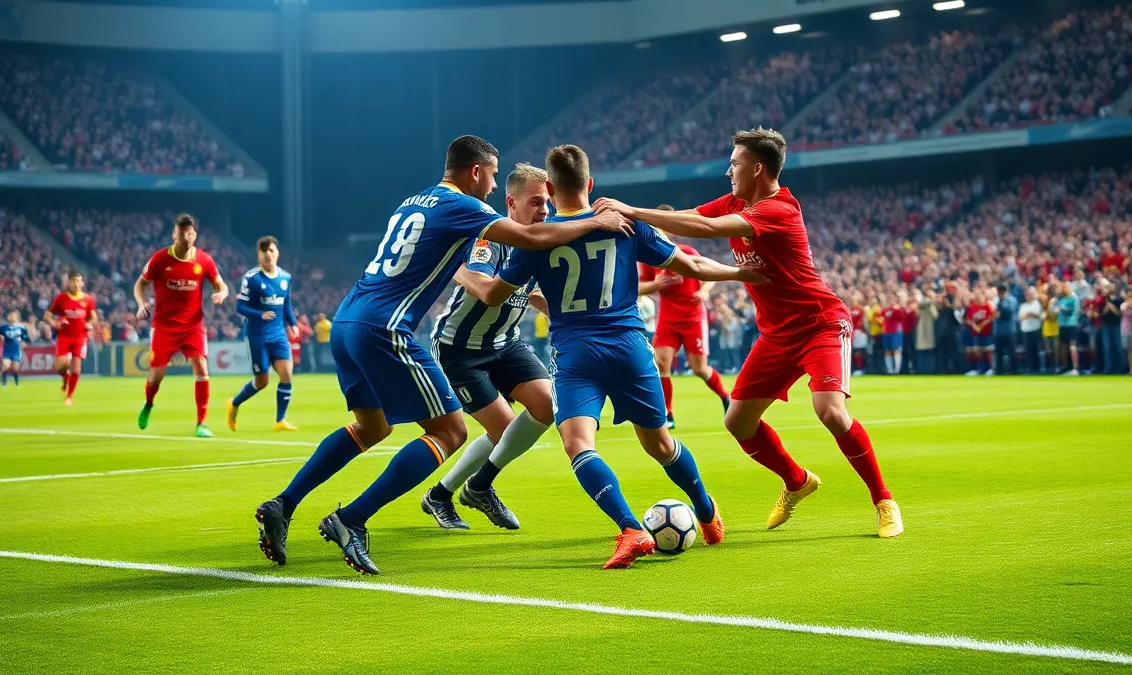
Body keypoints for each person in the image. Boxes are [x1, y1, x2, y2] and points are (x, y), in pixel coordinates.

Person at [252, 135, 633, 575]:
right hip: (387, 328)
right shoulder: (465, 207)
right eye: (491, 176)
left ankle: (284, 503)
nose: (491, 187)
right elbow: (531, 238)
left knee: (370, 427)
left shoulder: (413, 202)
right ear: (475, 171)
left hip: (348, 320)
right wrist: (594, 223)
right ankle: (352, 519)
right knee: (450, 431)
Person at [594, 127, 902, 539]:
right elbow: (692, 219)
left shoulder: (780, 210)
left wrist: (631, 210)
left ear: (757, 167)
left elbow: (706, 231)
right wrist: (639, 216)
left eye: (735, 162)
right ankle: (796, 481)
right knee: (738, 422)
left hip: (820, 323)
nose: (728, 171)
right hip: (776, 334)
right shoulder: (738, 200)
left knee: (829, 410)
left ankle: (883, 500)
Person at [465, 144, 756, 568]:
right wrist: (743, 273)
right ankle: (707, 512)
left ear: (548, 187)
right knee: (659, 443)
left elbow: (492, 295)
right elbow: (690, 267)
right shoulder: (625, 225)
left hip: (576, 354)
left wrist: (457, 267)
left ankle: (631, 529)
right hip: (629, 347)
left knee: (578, 444)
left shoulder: (535, 240)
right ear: (591, 183)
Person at [420, 163, 558, 531]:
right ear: (511, 202)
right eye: (536, 202)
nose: (544, 210)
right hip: (460, 348)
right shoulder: (489, 239)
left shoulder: (541, 243)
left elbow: (538, 294)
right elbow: (483, 286)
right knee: (504, 430)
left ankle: (472, 489)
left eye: (548, 203)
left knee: (547, 406)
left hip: (506, 343)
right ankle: (443, 494)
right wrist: (454, 267)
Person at [637, 205, 733, 425]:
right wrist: (656, 283)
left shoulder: (686, 252)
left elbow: (708, 274)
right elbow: (640, 288)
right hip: (668, 318)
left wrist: (703, 290)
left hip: (692, 317)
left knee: (699, 368)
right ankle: (668, 414)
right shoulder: (648, 260)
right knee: (661, 363)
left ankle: (725, 397)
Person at [134, 214, 229, 435]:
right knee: (156, 375)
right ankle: (148, 404)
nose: (185, 236)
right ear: (174, 234)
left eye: (189, 232)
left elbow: (221, 285)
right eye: (181, 232)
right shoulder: (159, 259)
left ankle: (201, 423)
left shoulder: (204, 260)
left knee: (202, 368)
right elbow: (140, 284)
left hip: (193, 325)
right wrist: (140, 304)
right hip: (164, 326)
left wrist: (221, 294)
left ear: (194, 235)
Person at [227, 236, 300, 432]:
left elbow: (286, 305)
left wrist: (292, 324)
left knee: (286, 374)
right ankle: (234, 402)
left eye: (271, 250)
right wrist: (260, 314)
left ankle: (280, 420)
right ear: (258, 255)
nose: (268, 254)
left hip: (278, 335)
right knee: (262, 381)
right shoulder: (252, 278)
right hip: (257, 336)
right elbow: (240, 307)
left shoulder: (285, 277)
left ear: (277, 253)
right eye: (263, 250)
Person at [44, 271, 98, 405]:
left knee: (76, 368)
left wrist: (90, 324)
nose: (76, 283)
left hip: (80, 337)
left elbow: (93, 317)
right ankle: (65, 377)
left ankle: (69, 396)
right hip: (64, 336)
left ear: (82, 283)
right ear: (68, 283)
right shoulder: (61, 298)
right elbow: (47, 314)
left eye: (79, 281)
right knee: (61, 367)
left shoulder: (87, 299)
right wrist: (54, 323)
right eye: (73, 280)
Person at [964, 289, 994, 376]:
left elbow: (991, 317)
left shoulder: (987, 306)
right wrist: (975, 326)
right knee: (978, 351)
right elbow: (969, 320)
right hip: (976, 333)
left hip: (986, 332)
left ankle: (990, 369)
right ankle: (980, 369)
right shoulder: (972, 307)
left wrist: (981, 326)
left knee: (988, 350)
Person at [1097, 282, 1124, 374]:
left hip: (1117, 325)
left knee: (1118, 347)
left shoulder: (1119, 299)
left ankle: (1121, 368)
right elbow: (1100, 314)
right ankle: (1108, 368)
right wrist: (1106, 307)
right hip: (1106, 325)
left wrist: (1111, 307)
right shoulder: (1104, 300)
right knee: (1107, 348)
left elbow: (1120, 314)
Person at [993, 284, 1019, 375]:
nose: (1000, 294)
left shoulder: (1011, 300)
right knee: (999, 353)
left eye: (1001, 292)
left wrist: (1001, 309)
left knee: (1012, 352)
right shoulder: (998, 301)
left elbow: (1010, 311)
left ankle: (1014, 371)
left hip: (1009, 330)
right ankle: (999, 371)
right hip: (999, 331)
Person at [1, 310, 32, 387]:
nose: (11, 317)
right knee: (5, 367)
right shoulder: (4, 328)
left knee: (15, 368)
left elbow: (26, 338)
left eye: (13, 316)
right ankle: (4, 384)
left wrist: (25, 343)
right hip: (7, 350)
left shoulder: (21, 328)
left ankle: (16, 383)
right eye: (10, 315)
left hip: (16, 350)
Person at [1056, 282, 1080, 375]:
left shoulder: (1073, 297)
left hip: (1071, 324)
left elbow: (1070, 311)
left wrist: (1061, 307)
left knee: (1072, 345)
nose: (1063, 289)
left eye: (1065, 287)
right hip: (1062, 325)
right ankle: (1066, 367)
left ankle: (1075, 367)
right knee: (1063, 346)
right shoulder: (1062, 299)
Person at [1018, 286, 1044, 374]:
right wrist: (1030, 315)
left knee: (1036, 349)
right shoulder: (1024, 305)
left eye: (1031, 293)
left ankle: (1038, 368)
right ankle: (1031, 367)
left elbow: (1039, 316)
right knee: (1028, 350)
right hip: (1026, 330)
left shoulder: (1037, 304)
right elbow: (1021, 317)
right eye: (1027, 293)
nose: (1028, 295)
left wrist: (1031, 315)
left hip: (1035, 329)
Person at [914, 288, 938, 374]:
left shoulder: (919, 303)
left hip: (920, 326)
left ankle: (920, 369)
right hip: (928, 327)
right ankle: (929, 369)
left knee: (921, 350)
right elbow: (935, 315)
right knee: (929, 350)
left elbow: (917, 313)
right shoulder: (930, 303)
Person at [880, 295, 904, 375]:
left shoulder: (898, 309)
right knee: (888, 350)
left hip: (896, 331)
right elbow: (881, 315)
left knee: (896, 350)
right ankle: (890, 370)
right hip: (886, 331)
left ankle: (897, 370)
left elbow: (900, 317)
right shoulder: (885, 310)